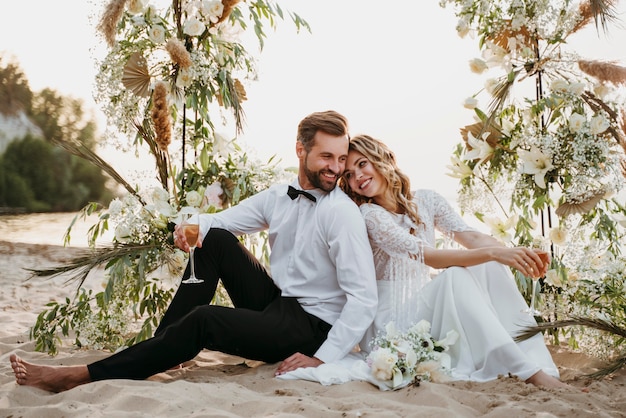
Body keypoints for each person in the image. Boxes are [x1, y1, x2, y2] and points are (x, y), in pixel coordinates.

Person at [9, 111, 378, 392]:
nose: (336, 168)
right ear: (301, 150)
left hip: (312, 328)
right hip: (279, 304)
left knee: (206, 318)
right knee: (214, 238)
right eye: (326, 157)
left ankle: (79, 376)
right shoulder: (279, 197)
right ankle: (163, 349)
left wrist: (321, 357)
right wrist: (185, 229)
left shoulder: (340, 214)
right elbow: (220, 221)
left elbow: (364, 298)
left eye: (341, 158)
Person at [281, 134, 572, 390]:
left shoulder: (428, 200)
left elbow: (470, 238)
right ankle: (528, 373)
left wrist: (512, 251)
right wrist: (497, 253)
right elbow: (430, 258)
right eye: (349, 175)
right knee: (456, 275)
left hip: (422, 306)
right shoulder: (371, 216)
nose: (357, 177)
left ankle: (535, 362)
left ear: (384, 159)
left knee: (488, 264)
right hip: (389, 320)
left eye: (362, 164)